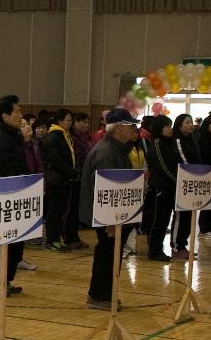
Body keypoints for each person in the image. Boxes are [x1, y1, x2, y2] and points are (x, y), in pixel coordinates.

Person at [80, 108, 141, 309]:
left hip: (117, 215)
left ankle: (105, 293)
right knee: (107, 253)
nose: (135, 129)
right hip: (108, 217)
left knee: (111, 254)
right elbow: (103, 190)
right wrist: (111, 220)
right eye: (130, 125)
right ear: (118, 128)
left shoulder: (119, 149)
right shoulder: (106, 152)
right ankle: (99, 296)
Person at [0, 95, 30, 296]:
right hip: (3, 197)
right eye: (17, 111)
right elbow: (8, 170)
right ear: (5, 115)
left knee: (14, 243)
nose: (21, 115)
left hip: (16, 197)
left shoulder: (12, 136)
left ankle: (6, 280)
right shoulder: (0, 139)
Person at [41, 109, 77, 252]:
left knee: (60, 210)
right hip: (56, 179)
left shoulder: (64, 135)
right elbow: (56, 160)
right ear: (60, 121)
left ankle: (56, 238)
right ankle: (51, 239)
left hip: (64, 179)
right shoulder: (53, 137)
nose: (70, 123)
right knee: (54, 211)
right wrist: (70, 172)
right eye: (68, 120)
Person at [145, 114, 176, 261]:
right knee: (157, 221)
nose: (170, 129)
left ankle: (159, 249)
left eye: (170, 126)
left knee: (164, 221)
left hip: (169, 188)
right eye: (167, 126)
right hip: (159, 188)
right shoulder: (157, 143)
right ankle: (154, 250)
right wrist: (177, 180)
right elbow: (163, 166)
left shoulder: (169, 143)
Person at [169, 114, 199, 259]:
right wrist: (193, 175)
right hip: (182, 183)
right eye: (187, 122)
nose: (191, 125)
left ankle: (182, 245)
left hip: (193, 183)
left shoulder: (191, 141)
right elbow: (184, 161)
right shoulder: (178, 141)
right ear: (179, 125)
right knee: (180, 215)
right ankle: (176, 247)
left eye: (191, 122)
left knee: (188, 216)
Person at [66, 112, 93, 249]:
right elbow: (77, 158)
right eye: (81, 121)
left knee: (77, 209)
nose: (85, 125)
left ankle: (75, 236)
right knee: (72, 210)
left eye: (87, 122)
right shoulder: (72, 138)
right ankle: (70, 238)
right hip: (76, 177)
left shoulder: (87, 138)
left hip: (85, 177)